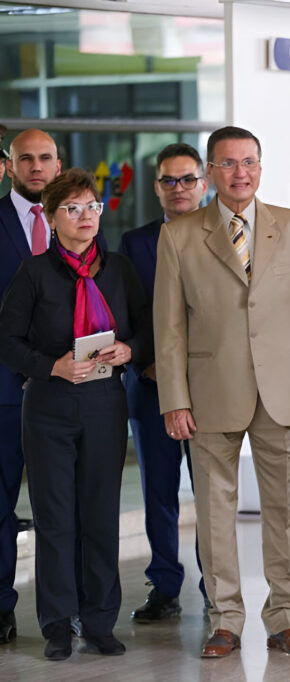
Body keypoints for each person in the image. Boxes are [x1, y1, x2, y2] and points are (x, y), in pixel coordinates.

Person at [153, 126, 290, 658]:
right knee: (215, 511)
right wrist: (174, 400)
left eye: (249, 162)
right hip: (210, 392)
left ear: (260, 165)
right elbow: (169, 330)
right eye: (228, 164)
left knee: (282, 509)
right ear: (211, 171)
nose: (240, 173)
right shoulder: (180, 235)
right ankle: (225, 619)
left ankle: (285, 618)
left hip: (284, 390)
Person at [0, 168, 151, 660]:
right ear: (52, 217)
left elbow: (148, 330)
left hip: (106, 404)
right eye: (72, 209)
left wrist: (129, 350)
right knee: (57, 518)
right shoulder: (34, 272)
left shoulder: (119, 270)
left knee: (101, 516)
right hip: (49, 406)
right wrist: (52, 366)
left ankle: (101, 619)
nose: (85, 217)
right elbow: (7, 340)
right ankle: (58, 626)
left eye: (92, 207)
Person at [120, 142, 208, 623]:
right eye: (169, 181)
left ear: (204, 182)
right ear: (157, 188)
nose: (179, 189)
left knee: (212, 491)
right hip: (151, 383)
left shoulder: (227, 235)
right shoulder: (135, 243)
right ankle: (164, 586)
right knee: (159, 489)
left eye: (187, 179)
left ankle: (214, 582)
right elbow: (127, 312)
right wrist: (146, 364)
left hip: (213, 390)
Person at [0, 128, 62, 645]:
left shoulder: (79, 223)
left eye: (44, 158)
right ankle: (1, 607)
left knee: (62, 507)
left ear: (58, 165)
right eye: (26, 159)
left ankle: (66, 611)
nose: (35, 167)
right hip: (3, 390)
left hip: (65, 393)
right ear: (11, 166)